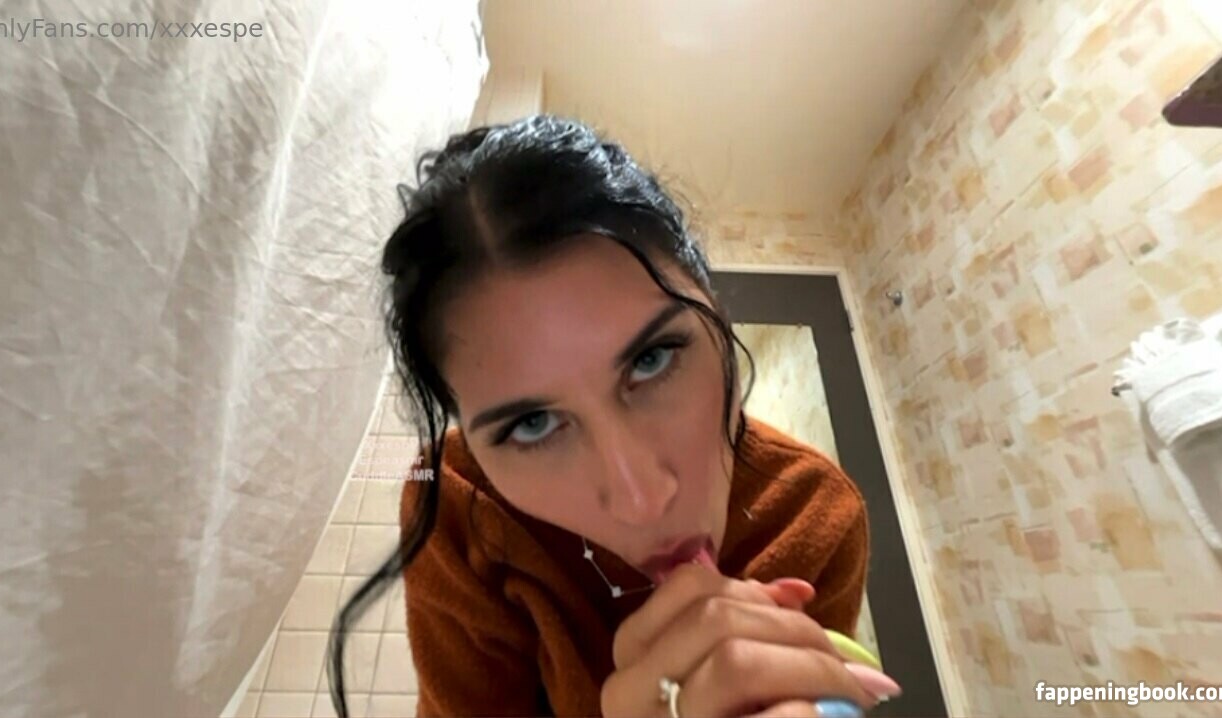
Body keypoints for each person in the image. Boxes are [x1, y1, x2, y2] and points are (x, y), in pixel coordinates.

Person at [326, 114, 900, 718]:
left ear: (717, 313)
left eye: (652, 360)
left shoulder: (813, 511)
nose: (642, 498)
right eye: (532, 425)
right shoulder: (457, 503)